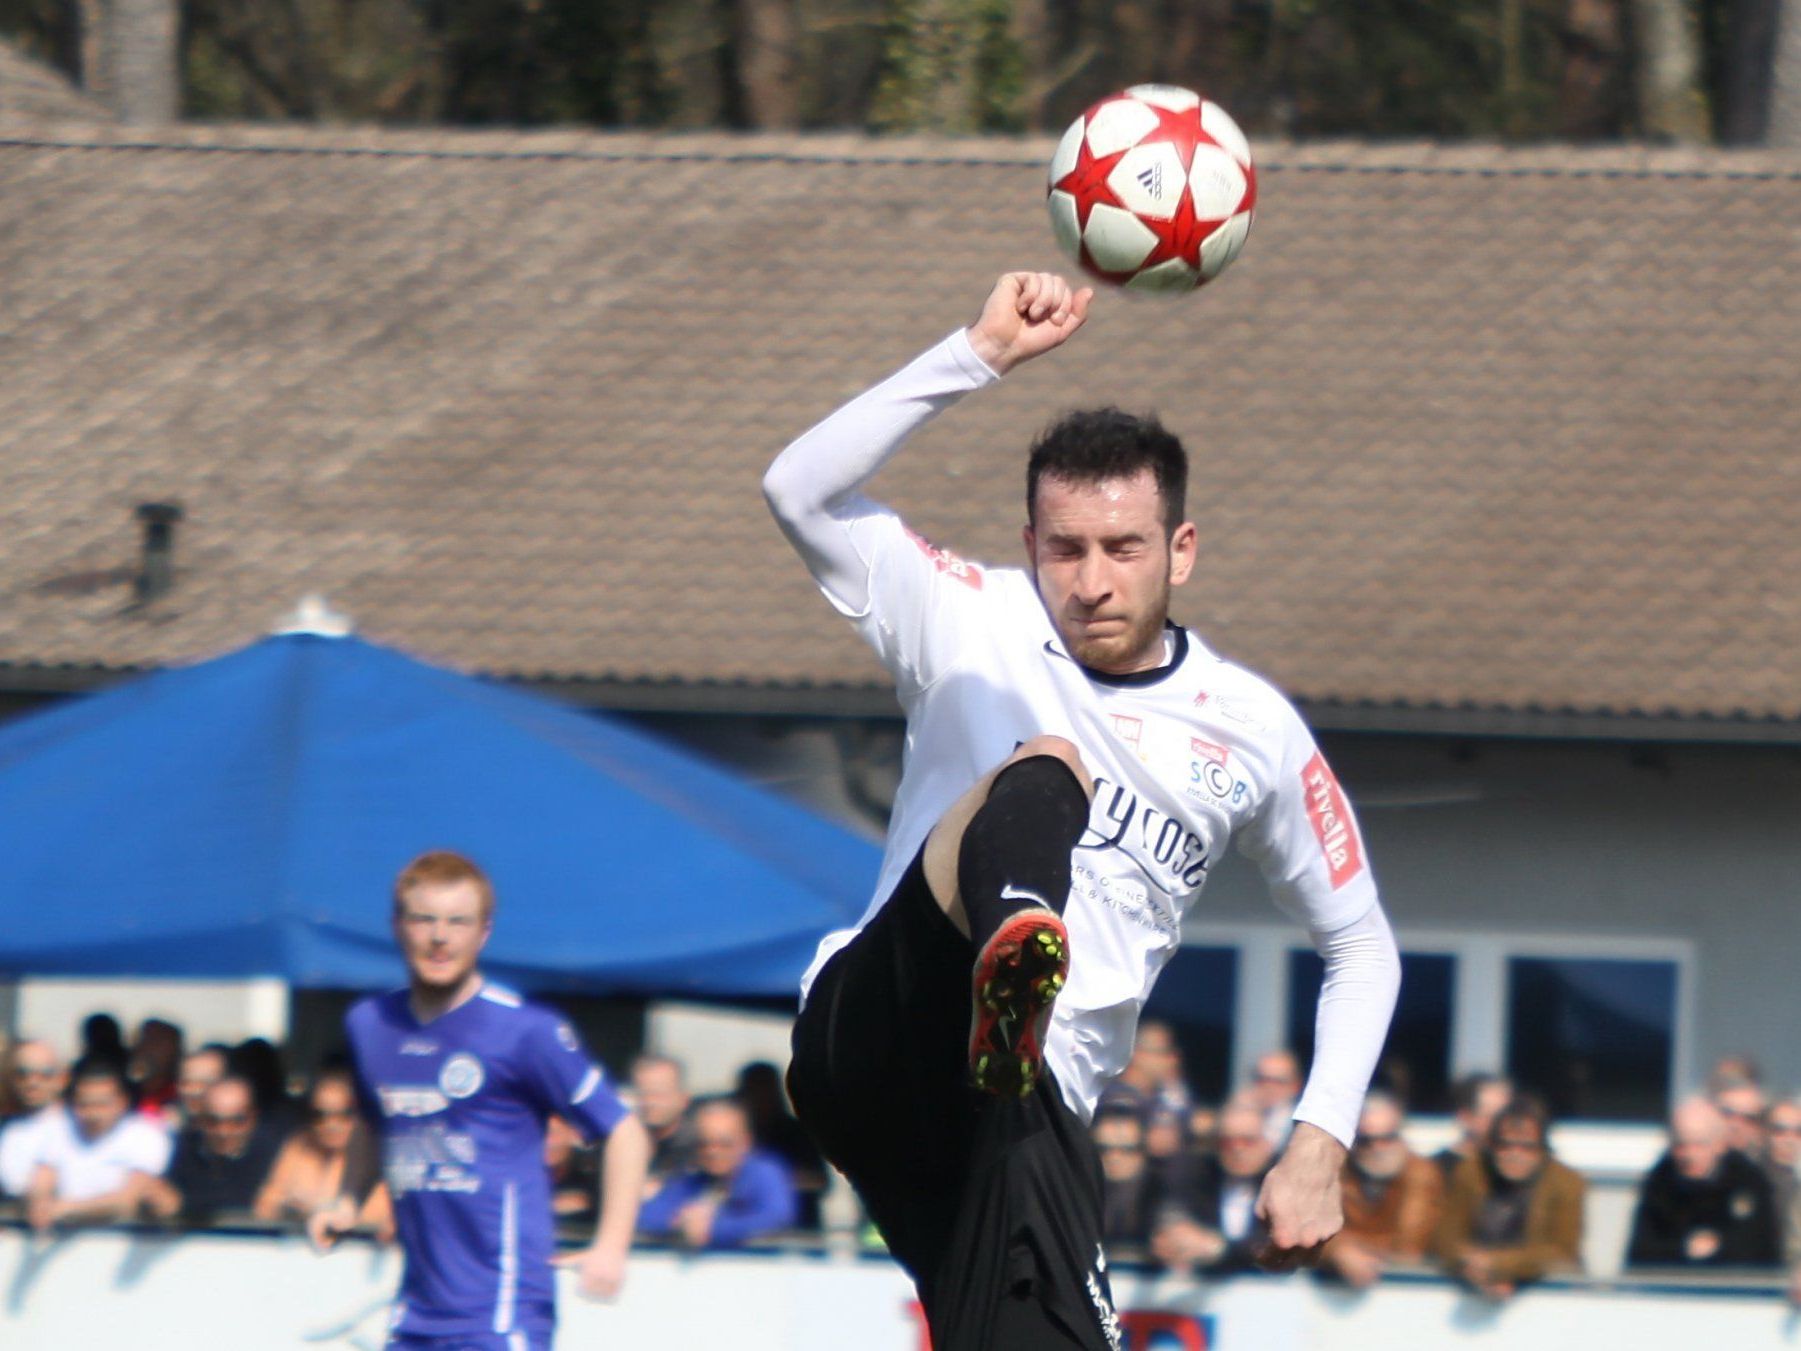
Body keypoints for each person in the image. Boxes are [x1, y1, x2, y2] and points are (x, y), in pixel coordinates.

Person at [770, 270, 1400, 1351]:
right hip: (884, 1024)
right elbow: (797, 489)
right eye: (1064, 549)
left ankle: (1015, 1011)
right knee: (1047, 764)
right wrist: (976, 354)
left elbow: (1360, 943)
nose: (1091, 581)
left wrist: (1318, 1140)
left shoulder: (1251, 726)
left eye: (1122, 548)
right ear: (1030, 546)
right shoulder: (965, 618)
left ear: (1180, 550)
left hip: (1024, 1114)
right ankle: (1011, 950)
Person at [309, 850, 652, 1350]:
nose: (440, 936)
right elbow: (375, 1119)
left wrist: (611, 1246)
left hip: (501, 1313)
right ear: (398, 926)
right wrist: (347, 1200)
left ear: (483, 933)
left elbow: (625, 1132)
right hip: (415, 1315)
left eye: (458, 922)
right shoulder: (370, 1024)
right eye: (424, 919)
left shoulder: (524, 1030)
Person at [1432, 1096, 1584, 1299]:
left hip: (1543, 1291)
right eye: (1505, 1145)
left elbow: (1562, 1252)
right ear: (1492, 1146)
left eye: (1527, 1147)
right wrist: (1469, 1263)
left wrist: (1500, 1265)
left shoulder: (1567, 1183)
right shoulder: (1470, 1173)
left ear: (1542, 1150)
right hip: (1472, 1280)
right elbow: (1445, 1237)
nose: (1515, 1154)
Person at [1624, 1095, 1782, 1270]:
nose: (1688, 1155)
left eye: (1699, 1145)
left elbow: (1761, 1251)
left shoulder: (1749, 1182)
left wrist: (1718, 1247)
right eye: (1681, 1145)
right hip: (1672, 1282)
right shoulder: (1659, 1182)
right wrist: (1683, 1248)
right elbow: (1641, 1253)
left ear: (1720, 1145)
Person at [25, 1056, 172, 1231]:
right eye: (84, 1105)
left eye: (101, 1105)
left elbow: (126, 1201)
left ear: (122, 1102)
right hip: (63, 1235)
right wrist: (40, 1203)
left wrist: (65, 1209)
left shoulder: (145, 1135)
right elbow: (42, 1181)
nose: (92, 1113)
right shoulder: (58, 1130)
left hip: (122, 1236)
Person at [1317, 1091, 1444, 1288]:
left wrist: (1347, 1247)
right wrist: (1338, 1251)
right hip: (1335, 1288)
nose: (1377, 1148)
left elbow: (1410, 1245)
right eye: (1366, 1141)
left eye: (1387, 1138)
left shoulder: (1422, 1175)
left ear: (1400, 1136)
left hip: (1402, 1287)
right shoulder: (1333, 1171)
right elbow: (1310, 1226)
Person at [637, 1098, 798, 1250]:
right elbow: (645, 1215)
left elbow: (778, 1217)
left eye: (724, 1144)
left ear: (746, 1142)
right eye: (704, 1144)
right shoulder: (693, 1178)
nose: (713, 1152)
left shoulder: (765, 1172)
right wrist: (680, 1222)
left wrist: (715, 1227)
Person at [254, 1067, 392, 1237]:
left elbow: (382, 1215)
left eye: (343, 1114)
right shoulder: (299, 1145)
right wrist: (294, 1212)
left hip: (358, 1245)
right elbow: (265, 1206)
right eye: (319, 1115)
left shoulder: (375, 1155)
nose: (330, 1124)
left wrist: (327, 1214)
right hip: (297, 1244)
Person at [1150, 1098, 1275, 1276]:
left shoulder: (1283, 1187)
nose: (1237, 1149)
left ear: (1267, 1144)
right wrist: (1174, 1235)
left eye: (1247, 1141)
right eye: (1227, 1142)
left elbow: (1277, 1246)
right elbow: (1170, 1212)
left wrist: (1218, 1248)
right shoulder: (1197, 1179)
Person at [143, 1074, 283, 1223]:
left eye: (237, 1121)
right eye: (213, 1121)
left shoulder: (273, 1155)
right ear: (200, 1120)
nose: (224, 1132)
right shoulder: (182, 1149)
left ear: (253, 1118)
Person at [734, 1060, 828, 1230]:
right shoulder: (733, 1136)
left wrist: (771, 1180)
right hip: (741, 1231)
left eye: (764, 1090)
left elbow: (819, 1180)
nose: (759, 1098)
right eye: (754, 1091)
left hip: (799, 1229)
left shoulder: (799, 1133)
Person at [0, 1039, 69, 1198]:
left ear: (62, 1079)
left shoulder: (79, 1127)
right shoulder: (5, 1128)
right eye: (22, 1074)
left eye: (45, 1074)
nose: (32, 1082)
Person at [630, 1054, 698, 1194]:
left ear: (684, 1099)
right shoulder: (623, 1141)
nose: (650, 1102)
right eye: (643, 1094)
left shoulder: (700, 1147)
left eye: (659, 1094)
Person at [1431, 1073, 1513, 1183]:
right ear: (1465, 1117)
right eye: (1493, 1117)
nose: (1503, 1125)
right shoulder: (1436, 1171)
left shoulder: (1514, 1170)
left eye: (1509, 1117)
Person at [1247, 1049, 1303, 1147]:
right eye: (1262, 1079)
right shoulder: (1238, 1116)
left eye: (1278, 1081)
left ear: (1296, 1086)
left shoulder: (1300, 1126)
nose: (1269, 1087)